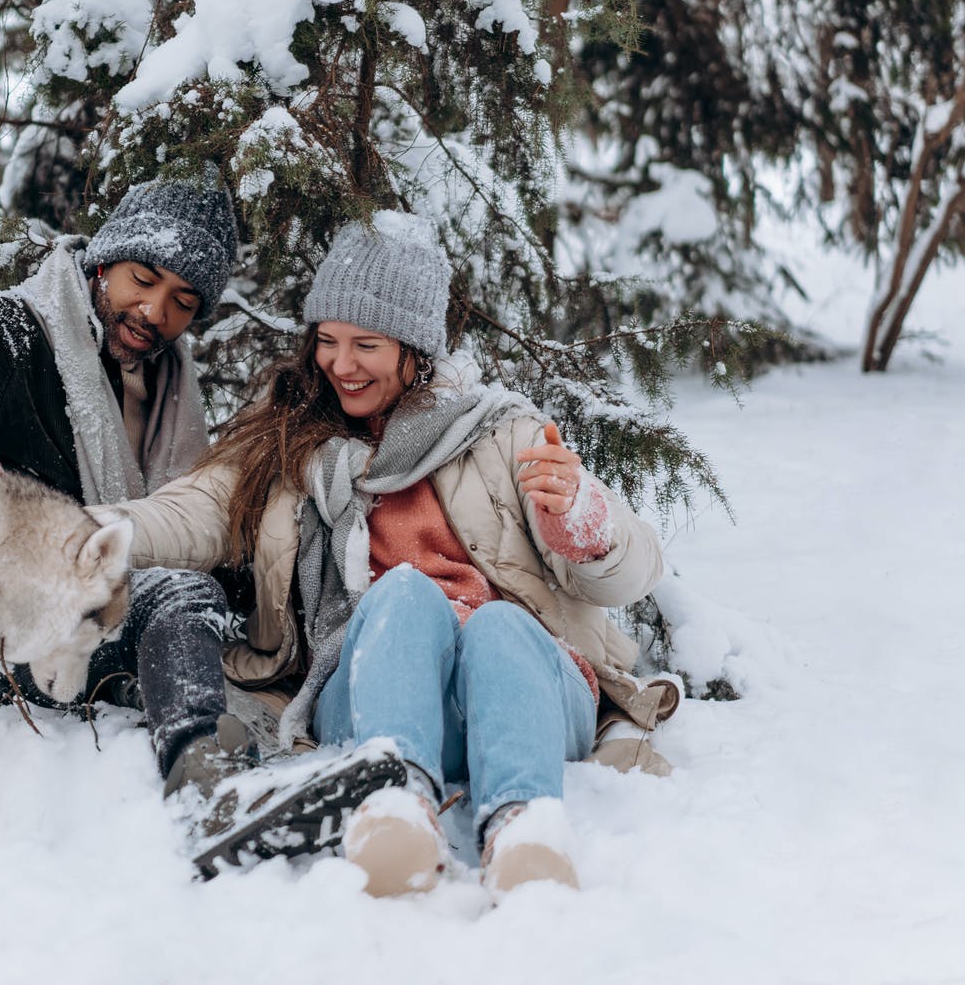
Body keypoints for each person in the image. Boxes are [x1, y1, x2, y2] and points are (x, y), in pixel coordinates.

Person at [95, 214, 680, 897]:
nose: (340, 365)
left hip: (523, 696)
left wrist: (582, 520)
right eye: (327, 341)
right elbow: (193, 509)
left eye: (366, 344)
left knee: (500, 624)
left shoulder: (503, 433)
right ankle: (397, 807)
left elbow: (637, 568)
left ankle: (525, 826)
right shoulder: (288, 446)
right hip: (376, 689)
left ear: (415, 347)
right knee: (401, 594)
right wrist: (81, 533)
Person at [0, 177, 402, 868]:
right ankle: (205, 787)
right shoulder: (3, 332)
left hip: (74, 629)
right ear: (104, 260)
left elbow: (183, 522)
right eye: (144, 279)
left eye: (183, 302)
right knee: (176, 593)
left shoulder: (166, 387)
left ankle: (253, 769)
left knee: (204, 611)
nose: (154, 311)